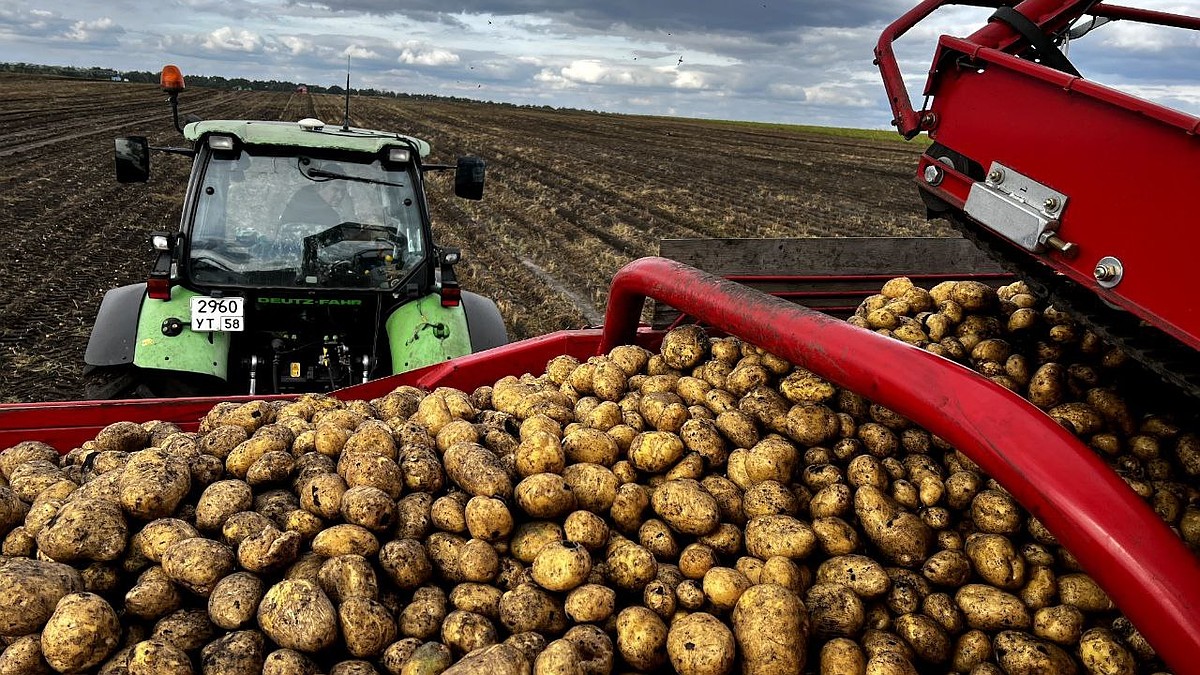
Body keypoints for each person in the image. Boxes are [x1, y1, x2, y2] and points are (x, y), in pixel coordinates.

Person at [279, 178, 349, 226]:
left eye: (343, 191)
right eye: (335, 189)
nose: (340, 195)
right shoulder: (330, 217)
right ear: (320, 186)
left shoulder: (301, 195)